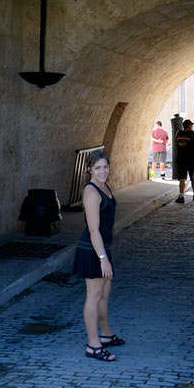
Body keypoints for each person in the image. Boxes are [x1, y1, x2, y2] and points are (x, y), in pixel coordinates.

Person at [72, 150, 124, 362]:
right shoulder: (92, 192)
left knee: (105, 292)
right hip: (93, 249)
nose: (102, 171)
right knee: (94, 296)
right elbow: (93, 230)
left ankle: (105, 335)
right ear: (89, 170)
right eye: (98, 168)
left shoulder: (104, 186)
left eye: (105, 167)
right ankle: (93, 345)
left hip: (103, 247)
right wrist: (103, 258)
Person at [174, 118, 194, 203]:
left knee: (182, 178)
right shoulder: (193, 134)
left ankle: (181, 196)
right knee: (193, 178)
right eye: (191, 125)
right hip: (192, 159)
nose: (192, 126)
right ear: (188, 126)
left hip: (181, 159)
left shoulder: (178, 133)